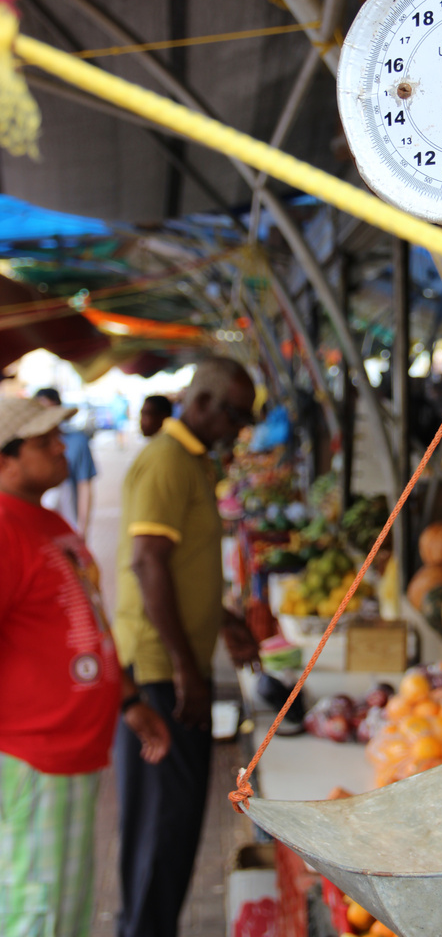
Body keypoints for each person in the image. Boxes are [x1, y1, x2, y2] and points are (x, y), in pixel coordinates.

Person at [0, 397, 171, 937]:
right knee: (39, 910)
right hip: (34, 755)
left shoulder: (45, 520)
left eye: (59, 435)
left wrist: (126, 700)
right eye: (43, 440)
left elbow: (85, 620)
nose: (61, 447)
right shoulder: (4, 527)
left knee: (63, 906)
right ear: (5, 459)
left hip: (71, 750)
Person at [113, 356, 260, 937]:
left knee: (172, 831)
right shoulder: (166, 462)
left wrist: (221, 617)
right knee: (161, 830)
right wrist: (185, 670)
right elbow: (148, 562)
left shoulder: (192, 460)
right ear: (203, 404)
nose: (239, 430)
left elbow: (182, 565)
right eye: (236, 417)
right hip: (159, 673)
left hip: (177, 663)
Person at [35, 386, 97, 540]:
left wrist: (82, 528)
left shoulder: (77, 442)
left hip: (68, 528)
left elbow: (85, 487)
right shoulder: (30, 449)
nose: (59, 448)